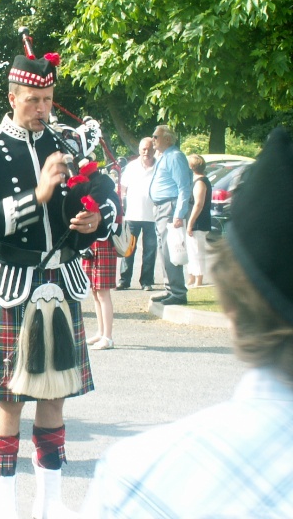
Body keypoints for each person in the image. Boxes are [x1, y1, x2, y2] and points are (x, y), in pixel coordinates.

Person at [81, 128, 293, 517]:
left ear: (231, 301)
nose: (150, 146)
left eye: (153, 142)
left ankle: (173, 289)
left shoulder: (138, 476)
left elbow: (179, 191)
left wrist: (179, 217)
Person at [0, 53, 119, 518]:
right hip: (14, 284)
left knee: (56, 394)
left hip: (63, 279)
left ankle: (50, 504)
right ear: (12, 97)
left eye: (48, 100)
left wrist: (92, 221)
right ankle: (3, 506)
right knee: (10, 399)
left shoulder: (66, 144)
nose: (41, 108)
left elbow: (105, 200)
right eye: (32, 100)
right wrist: (38, 196)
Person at [148, 124, 192, 306]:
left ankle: (178, 292)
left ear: (167, 138)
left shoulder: (174, 156)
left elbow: (184, 187)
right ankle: (170, 289)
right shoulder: (164, 157)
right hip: (162, 207)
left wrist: (179, 214)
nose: (153, 140)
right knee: (163, 250)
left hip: (170, 207)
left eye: (156, 136)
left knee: (169, 249)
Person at [116, 137, 157, 291]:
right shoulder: (132, 167)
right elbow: (122, 190)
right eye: (143, 149)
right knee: (129, 249)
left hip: (152, 217)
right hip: (133, 215)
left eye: (149, 149)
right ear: (139, 150)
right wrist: (120, 209)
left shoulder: (159, 167)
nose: (146, 152)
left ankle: (146, 281)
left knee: (150, 251)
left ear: (154, 149)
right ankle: (124, 280)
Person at [83, 239, 117, 350]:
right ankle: (101, 332)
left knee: (103, 294)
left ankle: (108, 337)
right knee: (95, 292)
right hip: (91, 245)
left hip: (104, 245)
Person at [185, 153, 211, 288]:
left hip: (198, 222)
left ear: (191, 166)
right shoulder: (195, 181)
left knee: (197, 251)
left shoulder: (200, 182)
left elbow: (198, 204)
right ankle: (191, 277)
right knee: (191, 251)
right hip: (193, 221)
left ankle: (198, 280)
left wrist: (190, 223)